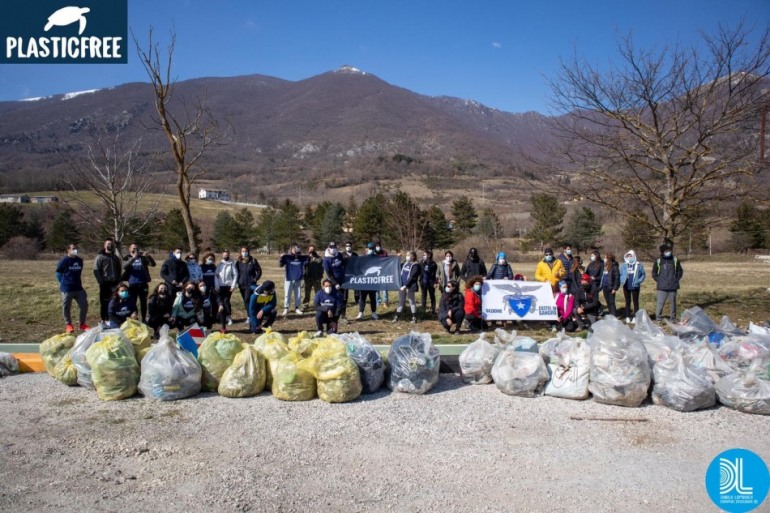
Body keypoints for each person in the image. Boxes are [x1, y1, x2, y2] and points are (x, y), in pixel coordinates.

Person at [56, 243, 89, 333]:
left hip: (78, 287)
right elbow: (58, 272)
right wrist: (61, 282)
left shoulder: (79, 260)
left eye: (76, 248)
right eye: (73, 248)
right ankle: (69, 324)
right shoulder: (64, 260)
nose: (75, 250)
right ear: (68, 250)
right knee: (66, 306)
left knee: (84, 305)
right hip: (67, 288)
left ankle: (82, 324)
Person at [121, 243, 156, 322]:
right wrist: (133, 258)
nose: (135, 250)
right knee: (133, 301)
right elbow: (124, 266)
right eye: (133, 248)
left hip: (143, 283)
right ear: (129, 249)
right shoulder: (127, 257)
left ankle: (144, 319)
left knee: (143, 302)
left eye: (136, 248)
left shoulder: (142, 257)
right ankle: (135, 317)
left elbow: (153, 264)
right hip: (132, 283)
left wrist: (148, 256)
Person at [93, 238, 122, 326]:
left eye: (111, 244)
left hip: (115, 283)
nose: (110, 245)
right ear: (105, 245)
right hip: (105, 283)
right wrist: (101, 281)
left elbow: (119, 269)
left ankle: (113, 317)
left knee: (114, 300)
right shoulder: (100, 257)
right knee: (104, 301)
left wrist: (118, 280)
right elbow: (96, 270)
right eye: (108, 244)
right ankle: (104, 318)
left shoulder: (115, 257)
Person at [652, 242, 684, 321]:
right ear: (662, 252)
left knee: (673, 304)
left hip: (673, 286)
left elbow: (680, 271)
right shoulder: (658, 261)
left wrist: (676, 279)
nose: (668, 252)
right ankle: (658, 318)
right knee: (660, 303)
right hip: (662, 287)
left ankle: (673, 318)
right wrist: (659, 280)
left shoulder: (675, 260)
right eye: (666, 251)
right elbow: (654, 273)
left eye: (669, 250)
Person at [393, 250, 421, 324]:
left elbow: (412, 277)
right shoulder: (405, 263)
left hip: (410, 286)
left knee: (411, 301)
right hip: (402, 286)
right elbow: (397, 266)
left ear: (413, 256)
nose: (407, 257)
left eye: (409, 255)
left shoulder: (416, 265)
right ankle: (397, 317)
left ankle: (414, 317)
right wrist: (397, 258)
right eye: (407, 255)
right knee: (401, 301)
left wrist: (405, 286)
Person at [279, 243, 308, 315]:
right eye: (294, 249)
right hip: (289, 278)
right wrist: (281, 258)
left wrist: (308, 257)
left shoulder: (301, 258)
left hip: (298, 278)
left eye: (297, 249)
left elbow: (307, 261)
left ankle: (297, 308)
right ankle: (286, 308)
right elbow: (280, 265)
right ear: (291, 249)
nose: (295, 250)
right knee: (287, 294)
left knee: (298, 294)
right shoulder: (287, 257)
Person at [236, 246, 262, 321]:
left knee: (248, 299)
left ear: (248, 252)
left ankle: (250, 316)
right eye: (243, 251)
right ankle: (250, 315)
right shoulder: (238, 262)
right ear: (240, 253)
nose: (244, 253)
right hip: (241, 284)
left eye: (246, 251)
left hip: (250, 284)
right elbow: (236, 272)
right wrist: (237, 281)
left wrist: (255, 278)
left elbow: (259, 271)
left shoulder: (253, 260)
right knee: (245, 300)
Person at [619, 249, 646, 323]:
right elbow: (620, 274)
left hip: (635, 286)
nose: (629, 257)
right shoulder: (624, 265)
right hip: (626, 285)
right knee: (627, 301)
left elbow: (643, 274)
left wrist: (638, 281)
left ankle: (635, 317)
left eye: (631, 256)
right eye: (628, 256)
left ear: (634, 256)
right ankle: (627, 316)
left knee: (635, 302)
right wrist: (622, 280)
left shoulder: (639, 265)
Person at [323, 241, 347, 320]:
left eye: (334, 247)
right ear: (328, 248)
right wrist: (335, 283)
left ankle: (343, 316)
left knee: (343, 298)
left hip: (342, 280)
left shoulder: (339, 255)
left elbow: (344, 264)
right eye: (331, 247)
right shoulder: (326, 259)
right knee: (333, 298)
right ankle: (332, 315)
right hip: (333, 282)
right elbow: (328, 273)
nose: (333, 249)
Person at [355, 243, 379, 320]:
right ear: (366, 249)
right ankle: (361, 313)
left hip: (372, 281)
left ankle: (374, 313)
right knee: (362, 297)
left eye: (372, 248)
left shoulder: (376, 258)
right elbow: (357, 267)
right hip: (364, 281)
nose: (370, 250)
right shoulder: (362, 258)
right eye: (369, 248)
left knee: (373, 298)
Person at [214, 250, 238, 326]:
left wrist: (233, 285)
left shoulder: (232, 264)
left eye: (227, 255)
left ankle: (228, 317)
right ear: (222, 255)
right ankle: (220, 317)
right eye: (224, 255)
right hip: (220, 286)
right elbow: (216, 275)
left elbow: (235, 275)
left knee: (226, 301)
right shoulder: (219, 264)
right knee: (221, 301)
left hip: (228, 286)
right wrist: (217, 285)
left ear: (229, 255)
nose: (226, 256)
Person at [303, 245, 324, 310]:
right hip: (308, 278)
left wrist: (320, 275)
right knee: (307, 292)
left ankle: (318, 304)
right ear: (308, 250)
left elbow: (322, 268)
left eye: (313, 249)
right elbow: (303, 265)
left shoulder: (319, 258)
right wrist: (308, 259)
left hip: (316, 278)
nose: (312, 250)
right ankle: (306, 304)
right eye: (310, 249)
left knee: (318, 292)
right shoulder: (305, 258)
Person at [341, 241, 360, 312]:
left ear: (351, 246)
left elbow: (358, 264)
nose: (348, 247)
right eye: (347, 246)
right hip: (345, 275)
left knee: (356, 288)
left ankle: (357, 300)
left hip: (354, 274)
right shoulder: (342, 255)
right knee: (345, 290)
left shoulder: (355, 254)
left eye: (349, 245)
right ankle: (344, 299)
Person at [600, 253, 620, 317]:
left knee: (611, 302)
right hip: (604, 286)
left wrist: (615, 288)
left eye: (605, 258)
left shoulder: (614, 267)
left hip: (611, 287)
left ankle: (614, 315)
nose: (604, 259)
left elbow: (617, 278)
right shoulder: (604, 266)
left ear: (608, 259)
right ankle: (610, 314)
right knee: (607, 301)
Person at [420, 250, 438, 315]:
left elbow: (435, 274)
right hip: (423, 282)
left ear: (429, 255)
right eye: (423, 255)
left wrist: (435, 282)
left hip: (431, 282)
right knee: (423, 296)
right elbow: (420, 272)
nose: (423, 256)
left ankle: (433, 309)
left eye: (425, 255)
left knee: (432, 296)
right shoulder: (422, 263)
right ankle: (423, 310)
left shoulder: (433, 264)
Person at [373, 241, 390, 307]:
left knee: (384, 287)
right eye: (376, 246)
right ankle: (378, 301)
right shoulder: (373, 253)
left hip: (383, 272)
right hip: (375, 273)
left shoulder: (384, 253)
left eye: (379, 246)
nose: (378, 247)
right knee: (376, 288)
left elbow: (388, 261)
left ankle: (385, 301)